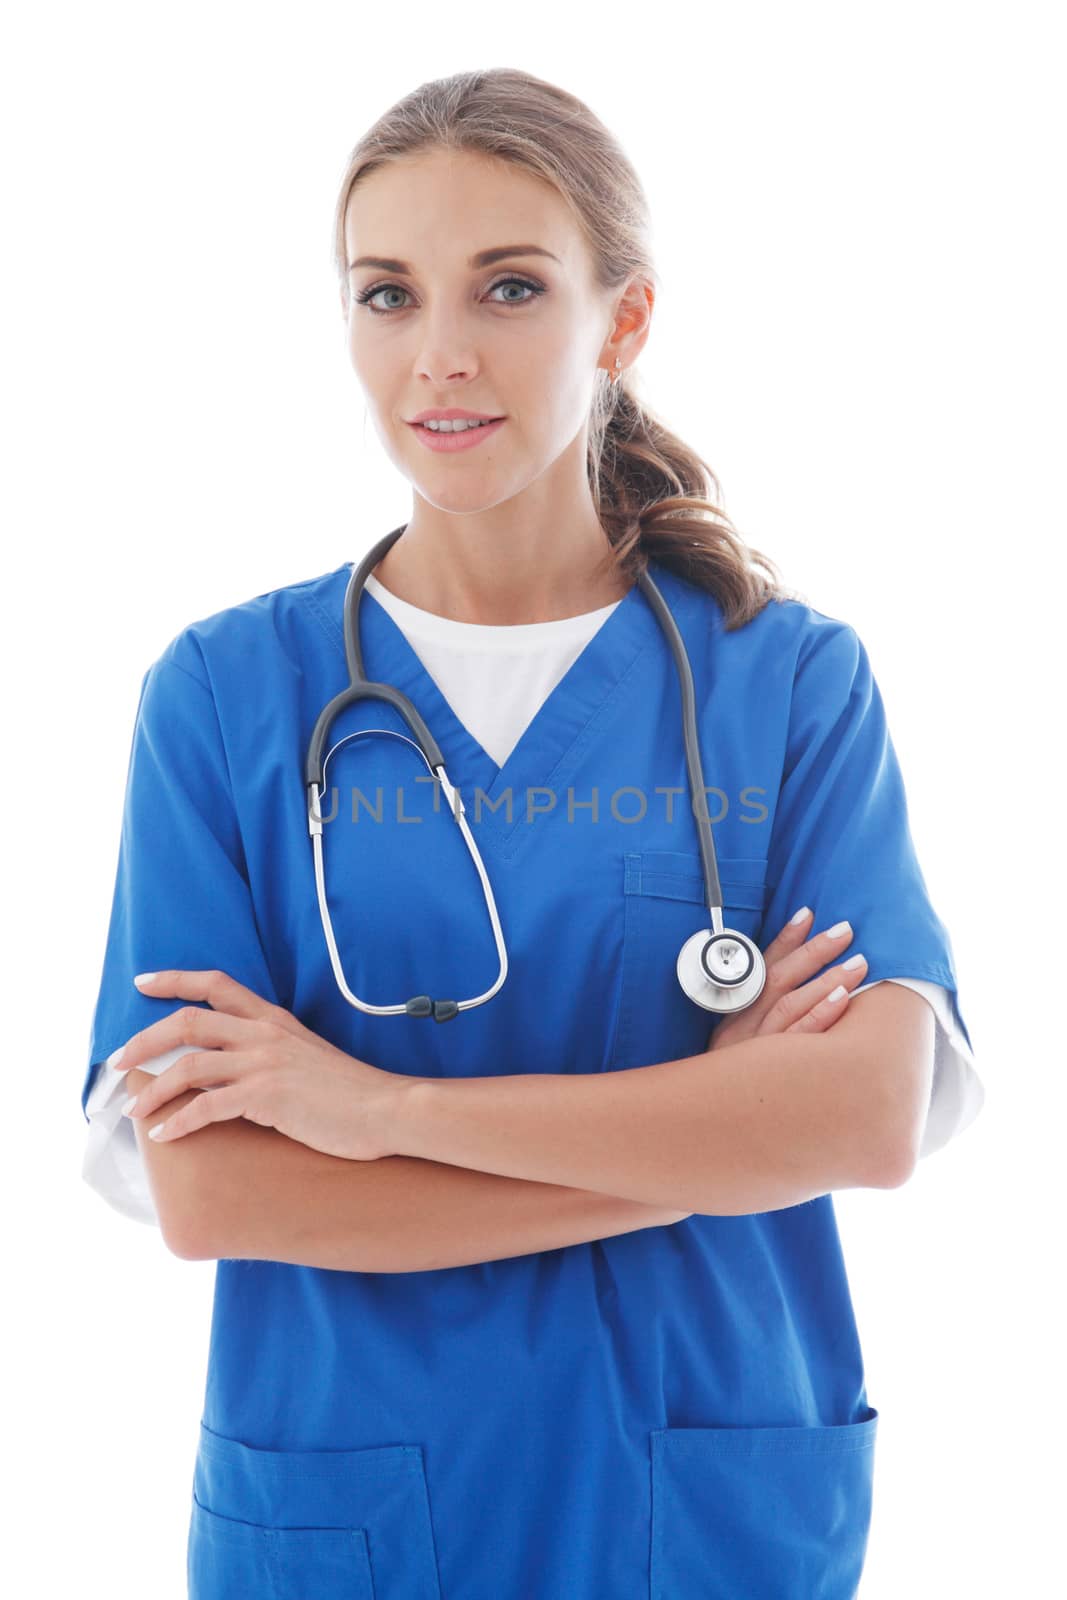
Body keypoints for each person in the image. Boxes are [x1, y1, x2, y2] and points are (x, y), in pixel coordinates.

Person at [81, 68, 984, 1600]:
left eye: (510, 288)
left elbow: (867, 1118)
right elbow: (218, 1194)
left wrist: (381, 1110)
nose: (440, 355)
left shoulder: (787, 684)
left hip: (697, 1505)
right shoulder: (228, 699)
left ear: (621, 322)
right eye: (388, 294)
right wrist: (713, 1132)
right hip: (353, 1512)